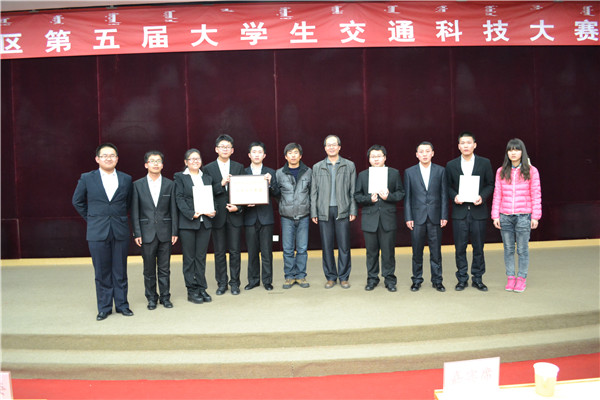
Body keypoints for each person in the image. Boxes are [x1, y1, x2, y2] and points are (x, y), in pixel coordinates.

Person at [72, 143, 133, 321]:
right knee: (101, 271)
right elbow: (77, 201)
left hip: (120, 230)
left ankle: (122, 305)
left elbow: (128, 203)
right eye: (104, 156)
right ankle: (104, 307)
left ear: (117, 159)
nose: (108, 158)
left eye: (112, 155)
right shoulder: (87, 178)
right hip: (97, 231)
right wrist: (92, 219)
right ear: (97, 159)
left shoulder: (126, 179)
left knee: (120, 270)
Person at [445, 132, 494, 291]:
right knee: (460, 248)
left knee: (478, 248)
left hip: (478, 212)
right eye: (463, 143)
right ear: (459, 146)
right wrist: (455, 196)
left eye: (469, 142)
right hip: (459, 213)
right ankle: (462, 279)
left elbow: (490, 184)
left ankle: (478, 279)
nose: (466, 145)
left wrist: (482, 196)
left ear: (475, 145)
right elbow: (447, 186)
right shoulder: (451, 165)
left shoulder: (484, 163)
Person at [491, 138, 542, 293]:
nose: (513, 153)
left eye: (516, 149)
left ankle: (521, 278)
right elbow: (497, 194)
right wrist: (495, 215)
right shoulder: (501, 171)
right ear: (507, 153)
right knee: (508, 249)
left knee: (522, 249)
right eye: (510, 150)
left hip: (524, 216)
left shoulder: (531, 171)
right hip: (505, 215)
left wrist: (535, 216)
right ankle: (510, 277)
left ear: (522, 152)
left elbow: (536, 194)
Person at [131, 151, 178, 310]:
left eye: (158, 161)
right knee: (149, 269)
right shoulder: (137, 185)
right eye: (152, 161)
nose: (155, 164)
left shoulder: (170, 184)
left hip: (166, 232)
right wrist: (137, 232)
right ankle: (151, 298)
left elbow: (173, 210)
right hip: (146, 233)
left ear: (162, 165)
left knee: (165, 268)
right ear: (146, 165)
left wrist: (174, 231)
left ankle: (165, 297)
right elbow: (135, 211)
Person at [354, 145, 405, 292]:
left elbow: (401, 193)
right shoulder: (363, 175)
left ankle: (390, 280)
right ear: (369, 159)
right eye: (373, 157)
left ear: (385, 158)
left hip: (387, 218)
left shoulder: (393, 173)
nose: (376, 159)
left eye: (379, 156)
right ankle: (372, 279)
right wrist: (369, 199)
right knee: (371, 252)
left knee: (388, 252)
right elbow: (357, 196)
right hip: (370, 219)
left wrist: (389, 196)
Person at [311, 135, 357, 289]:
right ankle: (330, 277)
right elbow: (313, 192)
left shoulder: (349, 165)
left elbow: (353, 190)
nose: (331, 147)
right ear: (325, 148)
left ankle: (344, 277)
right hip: (324, 210)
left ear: (339, 147)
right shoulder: (317, 167)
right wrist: (314, 212)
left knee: (344, 246)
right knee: (327, 245)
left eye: (334, 144)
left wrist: (352, 209)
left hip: (342, 209)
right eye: (328, 145)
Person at [203, 134, 245, 295]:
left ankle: (235, 283)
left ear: (232, 150)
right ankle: (221, 283)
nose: (225, 149)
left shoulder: (239, 167)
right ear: (216, 149)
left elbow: (244, 191)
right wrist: (221, 184)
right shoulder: (208, 168)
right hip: (217, 215)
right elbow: (206, 192)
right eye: (222, 147)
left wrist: (238, 207)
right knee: (219, 252)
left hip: (234, 215)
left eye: (228, 147)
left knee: (235, 251)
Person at [404, 142, 448, 292]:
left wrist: (444, 215)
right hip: (417, 218)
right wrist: (408, 217)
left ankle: (437, 280)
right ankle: (417, 280)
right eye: (421, 152)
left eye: (427, 151)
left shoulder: (440, 171)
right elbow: (408, 197)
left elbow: (444, 194)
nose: (424, 154)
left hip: (435, 217)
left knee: (436, 252)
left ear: (432, 153)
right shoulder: (409, 172)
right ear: (417, 154)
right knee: (417, 252)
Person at [174, 149, 217, 304]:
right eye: (191, 159)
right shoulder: (180, 177)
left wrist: (213, 211)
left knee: (201, 257)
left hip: (205, 222)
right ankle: (191, 290)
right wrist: (191, 213)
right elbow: (179, 199)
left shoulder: (207, 177)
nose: (195, 161)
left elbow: (211, 198)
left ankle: (201, 287)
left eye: (197, 159)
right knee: (189, 258)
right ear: (186, 162)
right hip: (188, 223)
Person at [243, 141, 280, 291]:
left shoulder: (271, 172)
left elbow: (277, 194)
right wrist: (245, 203)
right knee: (252, 252)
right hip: (249, 217)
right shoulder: (243, 172)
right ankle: (253, 280)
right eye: (254, 152)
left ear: (264, 155)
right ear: (249, 155)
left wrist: (270, 184)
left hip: (266, 217)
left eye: (260, 152)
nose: (257, 155)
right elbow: (239, 195)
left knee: (266, 251)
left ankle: (267, 280)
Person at [276, 143, 312, 289]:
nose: (293, 155)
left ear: (300, 155)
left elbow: (312, 193)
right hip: (287, 217)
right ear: (286, 156)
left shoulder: (308, 172)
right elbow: (276, 194)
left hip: (304, 216)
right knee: (288, 249)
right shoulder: (279, 173)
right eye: (290, 153)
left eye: (295, 152)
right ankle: (289, 276)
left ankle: (301, 276)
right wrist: (285, 205)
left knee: (302, 248)